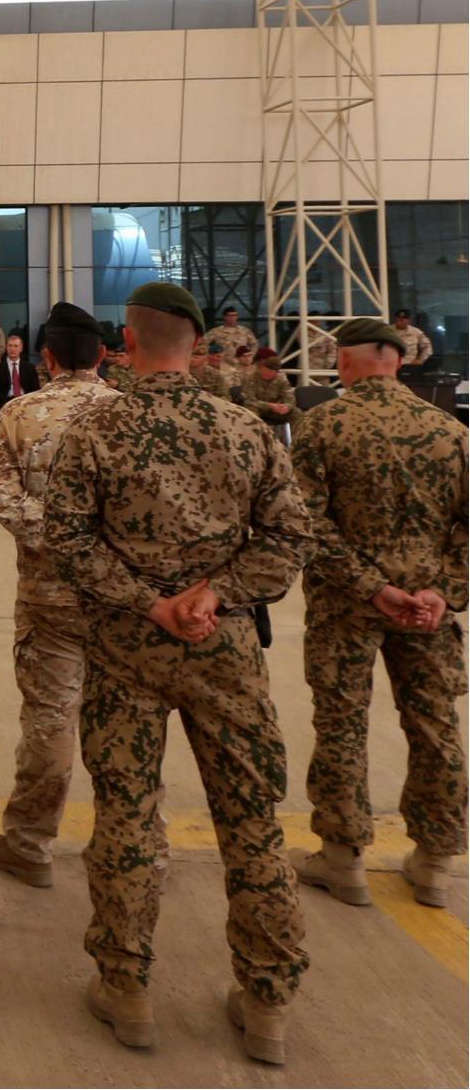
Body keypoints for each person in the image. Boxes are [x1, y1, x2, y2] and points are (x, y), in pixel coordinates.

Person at [44, 281, 313, 1067]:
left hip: (128, 645)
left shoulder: (97, 427)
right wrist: (213, 595)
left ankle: (127, 989)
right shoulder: (245, 428)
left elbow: (67, 540)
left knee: (127, 814)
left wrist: (149, 602)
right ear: (197, 345)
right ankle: (267, 1002)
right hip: (223, 646)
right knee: (252, 817)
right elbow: (291, 535)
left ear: (125, 343)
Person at [287, 317, 467, 910]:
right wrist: (441, 590)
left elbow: (306, 522)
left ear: (346, 362)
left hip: (346, 607)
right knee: (435, 726)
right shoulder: (450, 431)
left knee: (342, 725)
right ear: (398, 359)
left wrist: (370, 588)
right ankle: (435, 862)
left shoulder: (324, 426)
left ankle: (343, 860)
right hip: (429, 610)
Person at [0, 302, 118, 888]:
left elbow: (5, 501)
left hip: (52, 595)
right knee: (126, 723)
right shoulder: (134, 414)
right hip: (126, 599)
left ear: (47, 358)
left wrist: (64, 543)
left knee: (51, 719)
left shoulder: (19, 415)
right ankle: (130, 842)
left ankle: (31, 842)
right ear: (103, 355)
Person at [238, 348, 296, 436]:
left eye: (273, 372)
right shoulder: (252, 378)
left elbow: (291, 399)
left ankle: (297, 443)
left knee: (296, 413)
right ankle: (253, 441)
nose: (268, 373)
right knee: (250, 412)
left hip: (276, 411)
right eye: (267, 370)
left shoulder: (281, 380)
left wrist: (286, 407)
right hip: (259, 409)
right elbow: (249, 401)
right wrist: (269, 406)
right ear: (263, 367)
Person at [0, 333, 40, 417]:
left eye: (16, 346)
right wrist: (8, 405)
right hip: (6, 404)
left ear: (21, 348)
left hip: (26, 402)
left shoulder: (30, 367)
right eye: (10, 346)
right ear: (6, 348)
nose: (12, 349)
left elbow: (35, 389)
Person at [393, 307, 435, 376]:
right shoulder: (387, 331)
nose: (401, 320)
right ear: (395, 319)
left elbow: (428, 347)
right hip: (392, 366)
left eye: (404, 319)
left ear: (409, 320)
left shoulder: (416, 332)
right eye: (399, 318)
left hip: (410, 366)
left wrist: (420, 359)